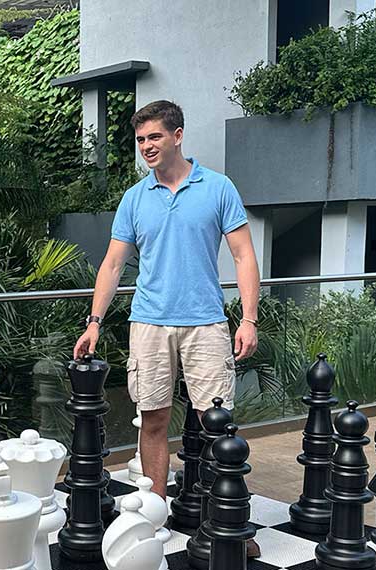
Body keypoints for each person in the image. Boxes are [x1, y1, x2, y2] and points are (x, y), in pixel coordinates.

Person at [73, 100, 261, 555]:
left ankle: (225, 523)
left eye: (154, 137)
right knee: (153, 418)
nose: (146, 147)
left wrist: (249, 318)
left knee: (216, 425)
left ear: (177, 135)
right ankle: (153, 513)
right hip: (150, 324)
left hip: (206, 325)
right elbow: (113, 263)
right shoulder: (136, 198)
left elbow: (243, 256)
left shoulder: (217, 188)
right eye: (140, 140)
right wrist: (94, 322)